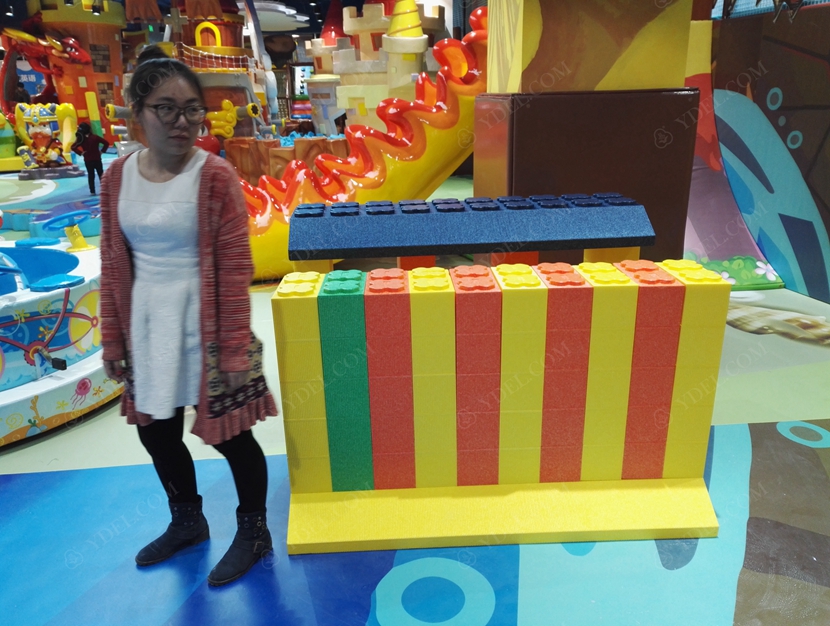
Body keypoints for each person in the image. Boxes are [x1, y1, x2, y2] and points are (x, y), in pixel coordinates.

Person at [99, 45, 278, 587]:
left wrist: (232, 349)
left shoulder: (215, 175)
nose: (182, 122)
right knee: (156, 433)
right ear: (138, 114)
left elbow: (235, 265)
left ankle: (253, 531)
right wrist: (113, 340)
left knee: (230, 436)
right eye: (166, 109)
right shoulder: (117, 176)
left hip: (210, 328)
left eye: (192, 109)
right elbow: (112, 260)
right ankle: (188, 521)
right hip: (147, 325)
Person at [71, 122, 109, 194]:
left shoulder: (81, 139)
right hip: (96, 158)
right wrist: (102, 151)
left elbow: (73, 147)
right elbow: (106, 143)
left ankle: (93, 191)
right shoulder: (94, 137)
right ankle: (104, 190)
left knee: (91, 175)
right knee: (100, 174)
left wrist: (81, 153)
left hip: (89, 159)